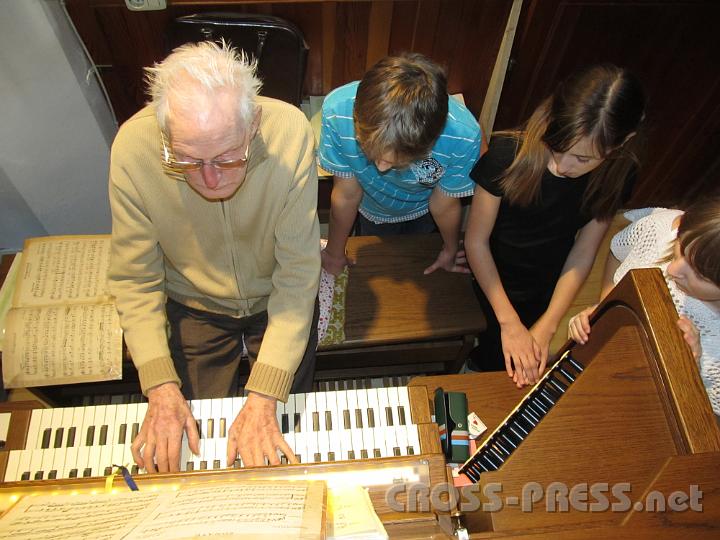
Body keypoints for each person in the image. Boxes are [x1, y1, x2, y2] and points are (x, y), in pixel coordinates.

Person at [107, 41, 321, 473]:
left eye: (227, 157)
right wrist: (160, 385)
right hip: (194, 304)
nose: (209, 178)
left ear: (254, 122)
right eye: (185, 159)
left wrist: (264, 396)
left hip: (276, 298)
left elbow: (297, 274)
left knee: (285, 426)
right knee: (200, 442)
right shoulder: (132, 148)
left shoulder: (290, 130)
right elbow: (135, 279)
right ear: (164, 133)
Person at [465, 64, 645, 388]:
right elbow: (476, 241)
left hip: (549, 279)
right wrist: (509, 322)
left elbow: (583, 250)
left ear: (621, 143)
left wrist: (548, 324)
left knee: (513, 364)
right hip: (488, 273)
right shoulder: (507, 155)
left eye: (583, 159)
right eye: (558, 148)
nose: (564, 166)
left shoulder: (619, 174)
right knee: (484, 341)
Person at [317, 53, 482, 276]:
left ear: (430, 142)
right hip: (371, 206)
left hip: (424, 210)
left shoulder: (463, 135)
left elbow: (443, 206)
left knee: (411, 262)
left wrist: (450, 249)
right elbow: (346, 195)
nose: (382, 168)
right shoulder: (338, 112)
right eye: (370, 151)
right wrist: (335, 253)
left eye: (397, 161)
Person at [568, 199, 720, 417]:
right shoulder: (659, 229)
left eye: (699, 275)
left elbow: (706, 426)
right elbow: (618, 252)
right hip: (591, 370)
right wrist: (606, 306)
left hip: (639, 410)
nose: (673, 269)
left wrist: (690, 368)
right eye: (680, 247)